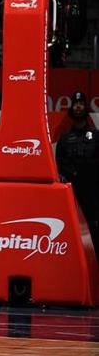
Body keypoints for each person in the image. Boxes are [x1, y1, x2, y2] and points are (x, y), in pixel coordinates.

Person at [56, 92, 99, 253]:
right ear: (71, 108)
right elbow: (59, 166)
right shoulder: (64, 139)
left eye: (81, 103)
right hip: (73, 196)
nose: (78, 106)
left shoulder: (96, 136)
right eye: (75, 103)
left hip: (93, 196)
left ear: (85, 107)